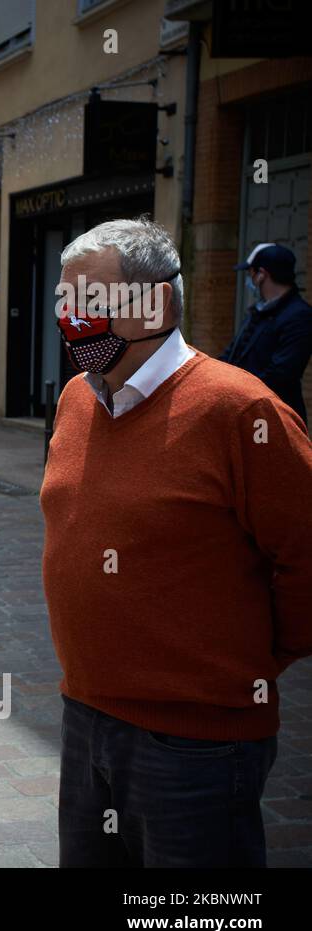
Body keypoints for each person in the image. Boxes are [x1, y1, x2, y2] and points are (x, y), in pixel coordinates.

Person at [42, 218, 312, 867]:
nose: (71, 319)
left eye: (91, 301)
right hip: (85, 718)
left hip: (198, 741)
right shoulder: (79, 398)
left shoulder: (240, 410)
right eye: (64, 301)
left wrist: (235, 662)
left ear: (155, 304)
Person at [220, 242, 312, 426]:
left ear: (262, 275)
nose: (249, 280)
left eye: (250, 274)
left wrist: (233, 390)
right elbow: (232, 354)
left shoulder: (300, 316)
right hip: (243, 412)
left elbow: (281, 375)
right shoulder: (259, 311)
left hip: (273, 418)